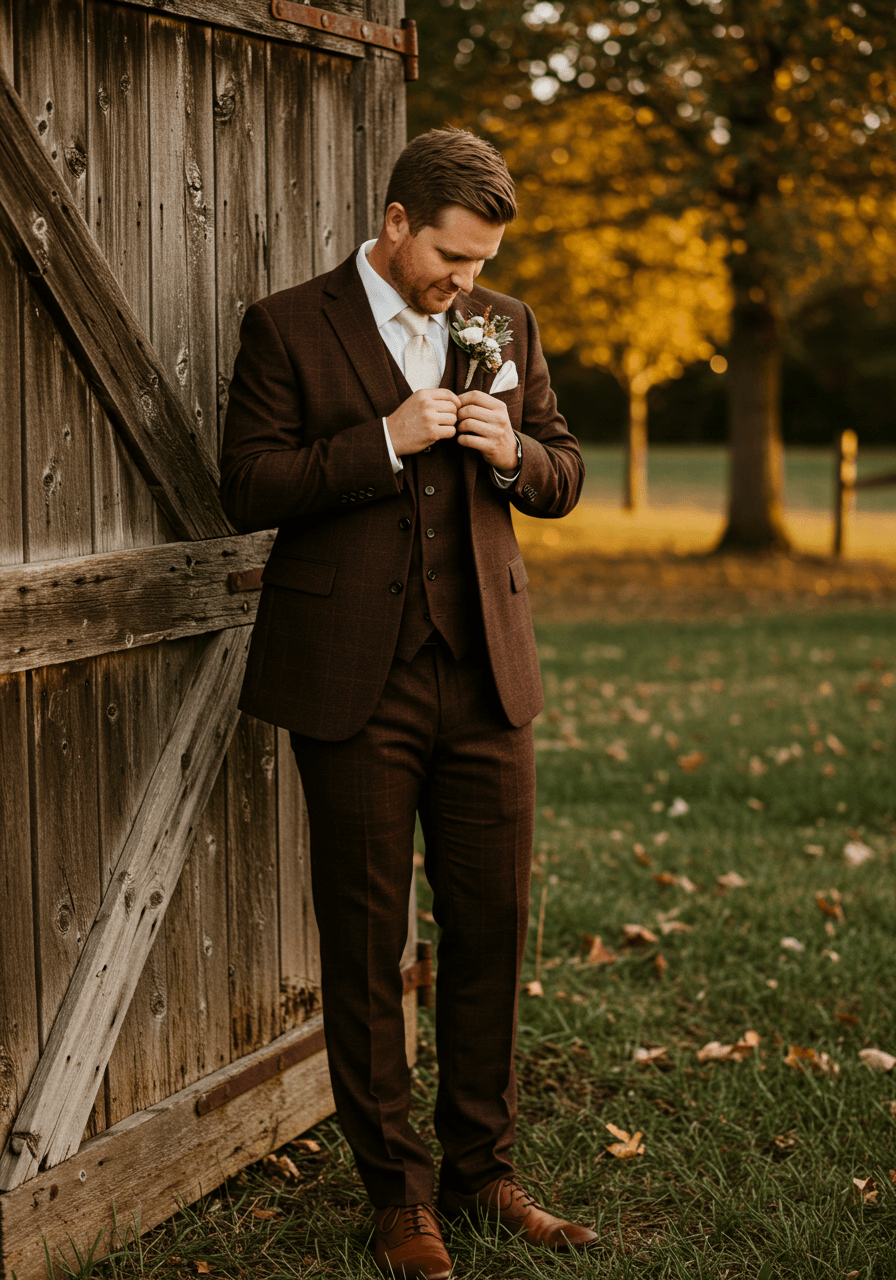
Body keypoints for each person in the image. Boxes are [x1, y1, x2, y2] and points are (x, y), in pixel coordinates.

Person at [220, 127, 592, 1279]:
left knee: (489, 928)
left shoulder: (511, 326)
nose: (468, 282)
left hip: (486, 674)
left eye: (482, 262)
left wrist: (513, 450)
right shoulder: (287, 324)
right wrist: (380, 439)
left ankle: (483, 1170)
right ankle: (399, 1194)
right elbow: (244, 484)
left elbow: (566, 470)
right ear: (394, 222)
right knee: (369, 942)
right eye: (451, 257)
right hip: (353, 683)